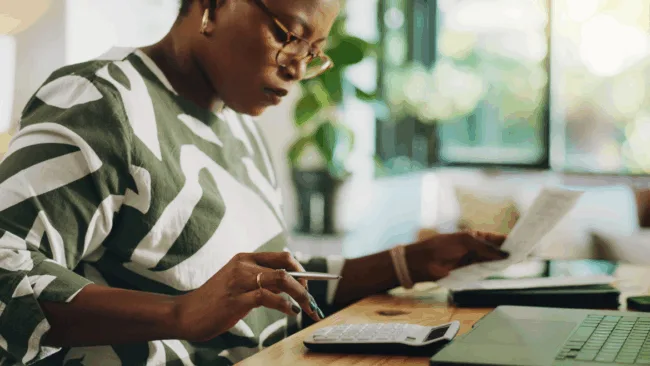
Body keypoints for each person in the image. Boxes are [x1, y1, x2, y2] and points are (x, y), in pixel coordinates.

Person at [0, 0, 509, 364]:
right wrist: (179, 315)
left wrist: (409, 262)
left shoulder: (239, 126)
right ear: (213, 6)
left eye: (314, 51)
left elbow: (261, 282)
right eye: (289, 34)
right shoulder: (102, 100)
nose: (296, 67)